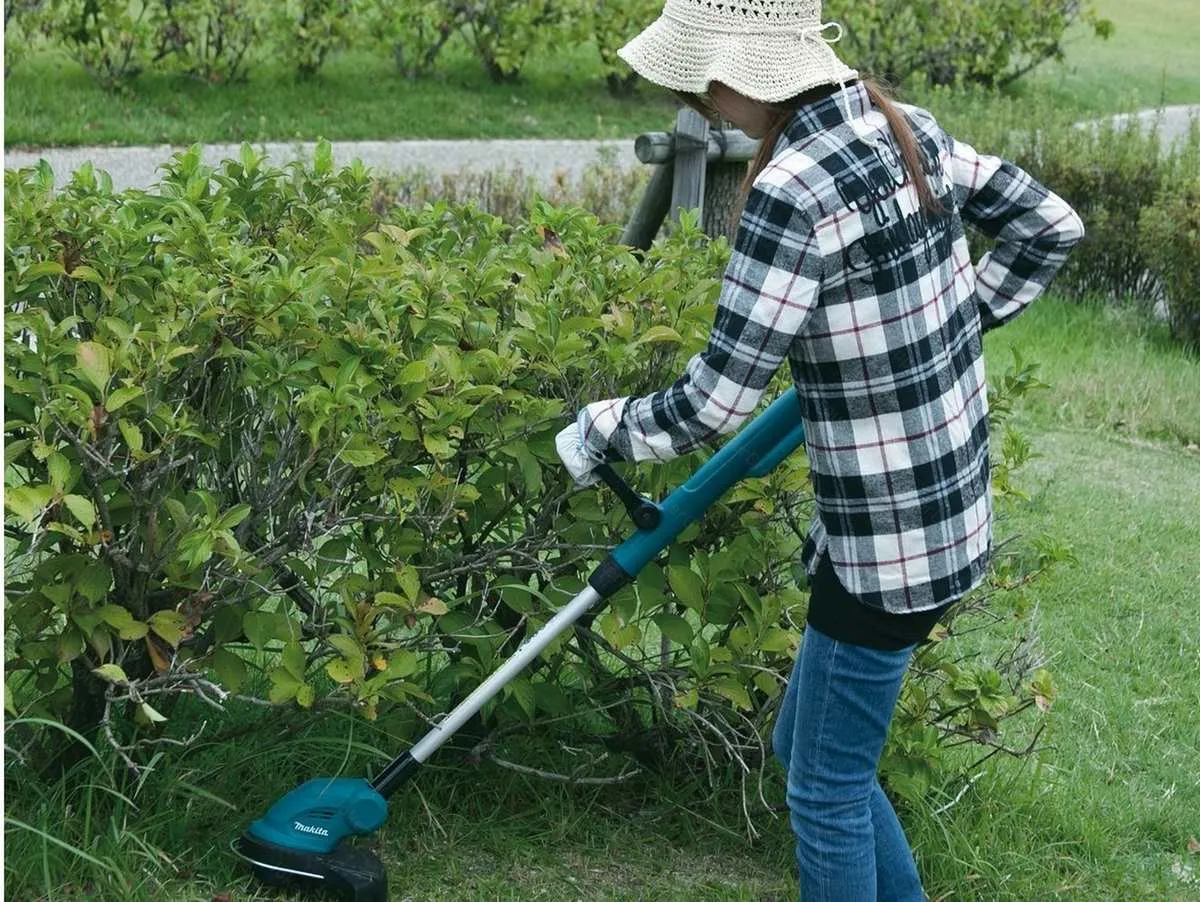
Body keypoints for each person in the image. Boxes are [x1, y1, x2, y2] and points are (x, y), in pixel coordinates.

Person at [554, 1, 1084, 899]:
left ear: (731, 76)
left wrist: (597, 427)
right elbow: (1051, 225)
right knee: (805, 748)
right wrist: (952, 326)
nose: (700, 102)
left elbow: (712, 404)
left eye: (698, 81)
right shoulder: (902, 125)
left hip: (885, 550)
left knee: (824, 787)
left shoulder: (792, 188)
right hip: (947, 519)